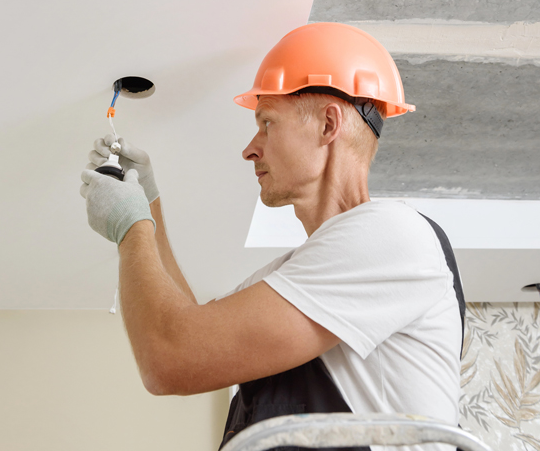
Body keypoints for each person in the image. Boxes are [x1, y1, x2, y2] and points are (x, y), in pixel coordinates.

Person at [80, 23, 465, 451]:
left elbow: (169, 357)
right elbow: (185, 328)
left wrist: (130, 229)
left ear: (328, 124)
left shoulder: (393, 234)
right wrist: (147, 203)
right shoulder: (304, 276)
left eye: (267, 123)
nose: (250, 148)